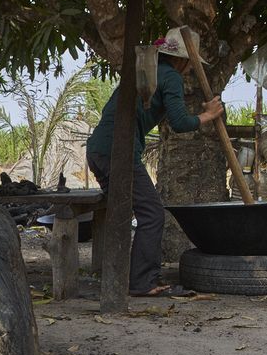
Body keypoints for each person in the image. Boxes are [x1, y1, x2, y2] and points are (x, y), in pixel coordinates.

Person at [85, 26, 224, 297]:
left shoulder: (146, 71)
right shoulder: (170, 75)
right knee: (152, 214)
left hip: (99, 150)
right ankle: (142, 282)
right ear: (185, 61)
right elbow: (181, 123)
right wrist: (209, 115)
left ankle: (127, 276)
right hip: (118, 153)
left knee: (126, 211)